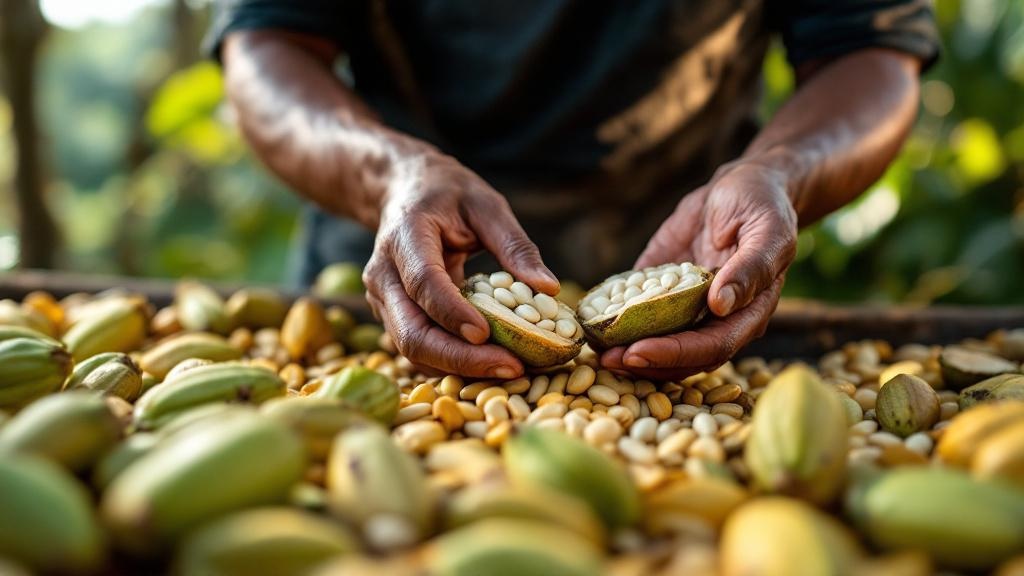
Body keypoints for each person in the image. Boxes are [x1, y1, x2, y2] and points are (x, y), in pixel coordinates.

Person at [208, 1, 939, 380]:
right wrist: (388, 174)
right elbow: (268, 48)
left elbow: (868, 50)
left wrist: (779, 171)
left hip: (696, 272)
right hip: (406, 273)